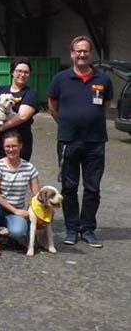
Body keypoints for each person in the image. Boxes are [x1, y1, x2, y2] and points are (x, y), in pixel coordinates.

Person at [48, 35, 113, 248]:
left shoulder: (103, 79)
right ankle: (71, 229)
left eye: (86, 51)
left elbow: (105, 106)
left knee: (93, 188)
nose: (82, 54)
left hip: (95, 142)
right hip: (68, 141)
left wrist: (89, 120)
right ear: (72, 54)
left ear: (90, 53)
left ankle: (88, 229)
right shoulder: (60, 78)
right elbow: (52, 105)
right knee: (69, 187)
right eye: (78, 51)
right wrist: (67, 123)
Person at [0, 57, 39, 232]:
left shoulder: (30, 94)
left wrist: (0, 127)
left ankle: (10, 217)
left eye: (26, 72)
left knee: (14, 182)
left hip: (18, 144)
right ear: (12, 72)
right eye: (19, 70)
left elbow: (22, 116)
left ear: (29, 75)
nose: (22, 74)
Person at [0, 131, 40, 255]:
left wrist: (40, 215)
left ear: (20, 146)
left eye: (14, 146)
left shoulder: (29, 168)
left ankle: (6, 231)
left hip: (16, 212)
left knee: (19, 232)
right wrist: (15, 210)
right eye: (7, 146)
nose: (11, 149)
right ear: (3, 148)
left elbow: (37, 196)